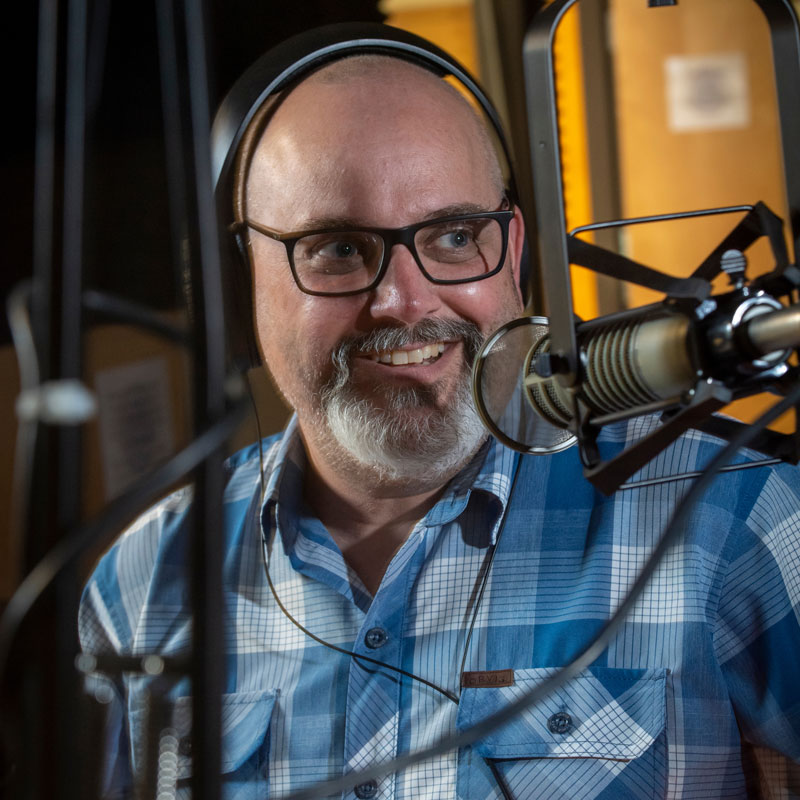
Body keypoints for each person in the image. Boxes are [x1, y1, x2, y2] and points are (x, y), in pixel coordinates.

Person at [79, 26, 800, 800]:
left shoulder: (735, 516)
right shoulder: (143, 582)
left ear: (515, 250)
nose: (404, 300)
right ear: (237, 281)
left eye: (455, 236)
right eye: (337, 249)